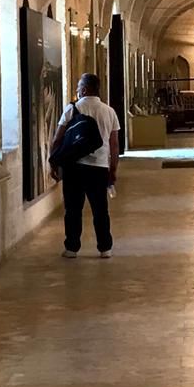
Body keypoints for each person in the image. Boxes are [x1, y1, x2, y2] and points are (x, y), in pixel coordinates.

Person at [50, 72, 120, 258]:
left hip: (74, 167)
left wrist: (54, 163)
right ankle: (105, 248)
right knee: (100, 209)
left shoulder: (71, 109)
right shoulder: (109, 111)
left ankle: (72, 247)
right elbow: (114, 145)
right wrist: (113, 170)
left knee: (73, 208)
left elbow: (57, 139)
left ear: (84, 89)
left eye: (78, 87)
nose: (76, 91)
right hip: (99, 168)